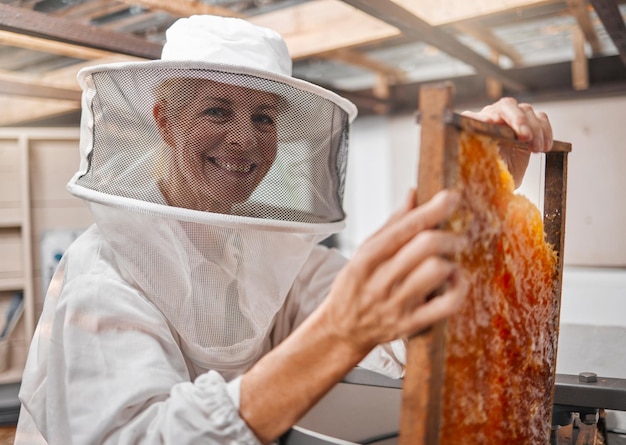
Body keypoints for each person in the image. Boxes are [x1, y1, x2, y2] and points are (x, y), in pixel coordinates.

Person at [15, 14, 553, 445]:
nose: (245, 141)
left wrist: (490, 182)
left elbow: (412, 329)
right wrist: (339, 331)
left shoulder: (274, 254)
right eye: (218, 110)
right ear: (165, 119)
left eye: (265, 117)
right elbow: (137, 436)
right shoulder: (103, 274)